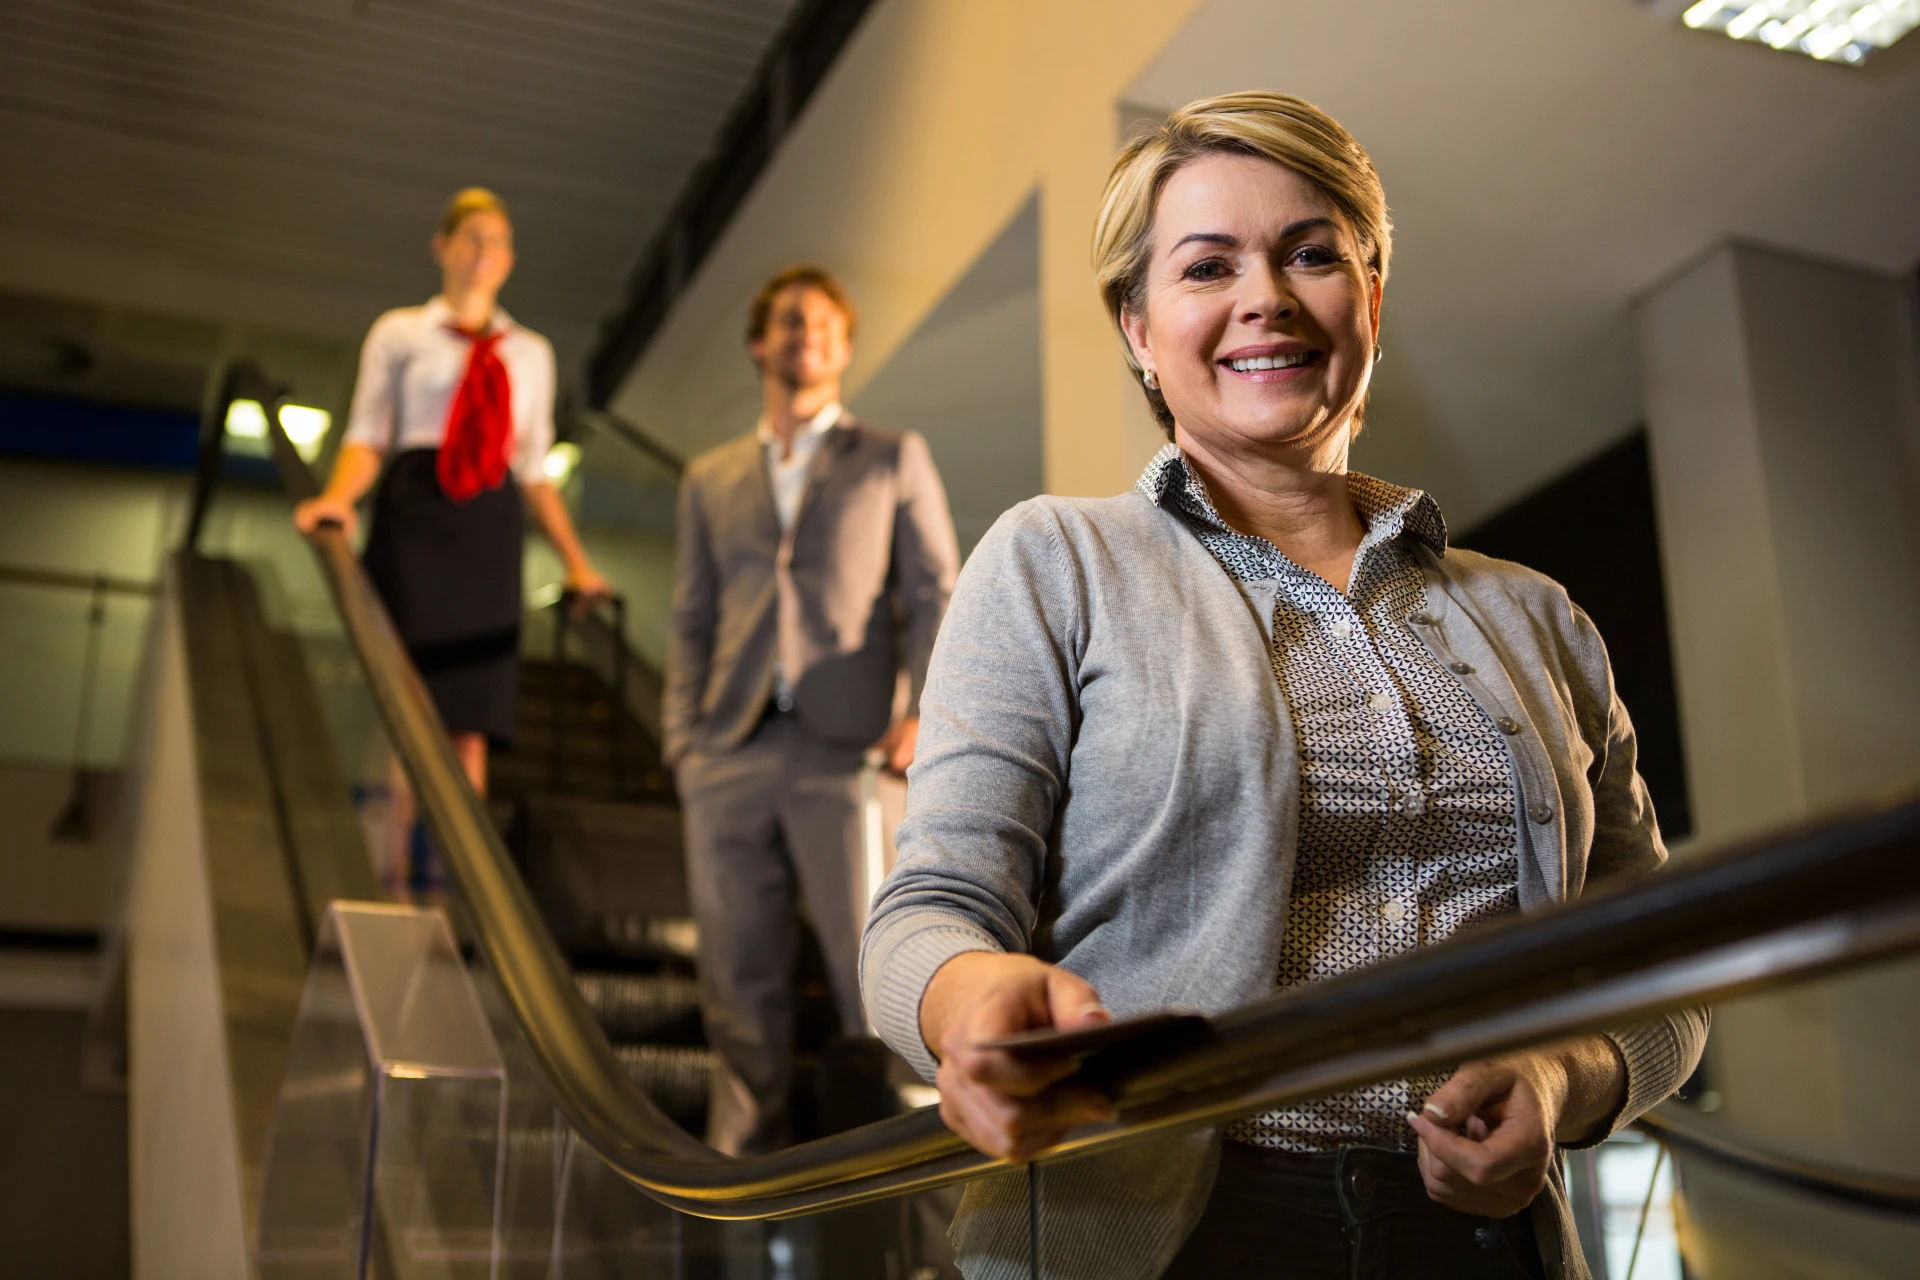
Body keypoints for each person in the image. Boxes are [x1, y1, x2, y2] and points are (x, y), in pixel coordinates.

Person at [860, 93, 1708, 1279]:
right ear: (1139, 329)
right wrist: (968, 1001)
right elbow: (926, 912)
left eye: (1311, 253)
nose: (1265, 294)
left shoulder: (1537, 615)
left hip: (1485, 1240)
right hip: (1166, 1232)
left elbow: (1655, 962)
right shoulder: (1054, 559)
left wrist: (1569, 1076)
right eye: (1207, 266)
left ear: (1370, 299)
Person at [665, 265, 960, 1155]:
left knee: (880, 977)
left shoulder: (890, 455)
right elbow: (690, 616)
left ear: (844, 346)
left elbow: (936, 590)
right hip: (728, 751)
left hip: (851, 754)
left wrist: (929, 718)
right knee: (736, 983)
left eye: (827, 322)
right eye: (790, 319)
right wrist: (682, 743)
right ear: (761, 342)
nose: (809, 333)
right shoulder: (709, 477)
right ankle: (739, 1190)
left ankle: (916, 1192)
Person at [294, 188, 608, 877]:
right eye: (470, 237)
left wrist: (578, 565)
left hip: (488, 529)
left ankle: (458, 884)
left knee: (472, 720)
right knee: (406, 707)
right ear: (441, 247)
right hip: (415, 516)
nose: (482, 253)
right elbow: (368, 434)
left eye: (496, 242)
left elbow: (533, 468)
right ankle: (393, 876)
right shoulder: (400, 332)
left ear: (510, 260)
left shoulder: (529, 352)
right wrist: (339, 499)